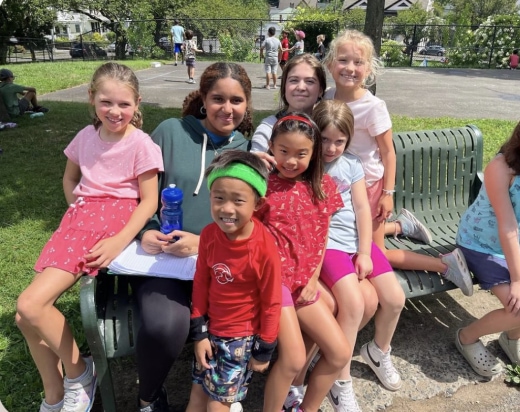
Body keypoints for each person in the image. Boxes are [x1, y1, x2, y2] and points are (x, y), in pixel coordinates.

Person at [15, 62, 164, 412]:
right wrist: (75, 209)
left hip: (111, 226)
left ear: (137, 103)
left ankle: (81, 372)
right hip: (80, 223)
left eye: (124, 104)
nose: (115, 111)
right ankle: (55, 394)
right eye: (106, 102)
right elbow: (70, 179)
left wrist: (118, 240)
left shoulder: (141, 144)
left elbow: (149, 201)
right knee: (26, 317)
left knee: (29, 305)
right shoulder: (85, 136)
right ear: (92, 99)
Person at [131, 62, 267, 412]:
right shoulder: (171, 132)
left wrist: (204, 241)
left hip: (220, 266)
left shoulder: (248, 149)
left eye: (237, 100)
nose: (227, 108)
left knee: (247, 318)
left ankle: (226, 393)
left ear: (247, 104)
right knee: (166, 325)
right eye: (218, 98)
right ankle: (149, 398)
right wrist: (145, 232)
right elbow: (138, 193)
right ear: (203, 100)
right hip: (166, 261)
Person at [323, 29, 473, 298]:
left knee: (375, 253)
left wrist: (387, 194)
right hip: (338, 188)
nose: (350, 68)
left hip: (367, 188)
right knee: (353, 237)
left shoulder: (373, 107)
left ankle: (443, 264)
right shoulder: (325, 98)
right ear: (330, 63)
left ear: (369, 69)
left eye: (358, 62)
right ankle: (402, 226)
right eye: (343, 60)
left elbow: (389, 153)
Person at [313, 99, 405, 410]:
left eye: (339, 141)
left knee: (394, 299)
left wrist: (365, 251)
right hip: (330, 248)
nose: (331, 148)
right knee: (353, 304)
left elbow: (362, 208)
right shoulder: (307, 164)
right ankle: (340, 382)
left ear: (349, 140)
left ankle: (378, 351)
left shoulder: (352, 164)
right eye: (324, 139)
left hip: (356, 242)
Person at [256, 113, 350, 412]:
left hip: (303, 285)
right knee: (294, 359)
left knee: (339, 353)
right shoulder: (261, 186)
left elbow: (322, 235)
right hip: (273, 285)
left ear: (314, 154)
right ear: (271, 146)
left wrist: (312, 278)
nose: (291, 161)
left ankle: (304, 409)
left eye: (301, 154)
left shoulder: (321, 185)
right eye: (283, 151)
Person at [187, 150, 282, 411]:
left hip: (240, 339)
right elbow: (201, 282)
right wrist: (199, 333)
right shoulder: (208, 235)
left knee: (217, 406)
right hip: (210, 332)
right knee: (197, 395)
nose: (226, 209)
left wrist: (264, 350)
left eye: (238, 201)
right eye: (219, 198)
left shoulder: (264, 248)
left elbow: (272, 302)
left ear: (257, 204)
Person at [455, 121, 520, 377]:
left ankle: (511, 337)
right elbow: (507, 227)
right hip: (480, 245)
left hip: (512, 244)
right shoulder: (501, 168)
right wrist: (517, 279)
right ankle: (466, 337)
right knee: (518, 308)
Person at [251, 54, 326, 153]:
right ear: (284, 86)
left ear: (320, 90)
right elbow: (255, 159)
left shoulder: (327, 127)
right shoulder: (269, 127)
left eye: (310, 81)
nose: (301, 87)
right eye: (294, 80)